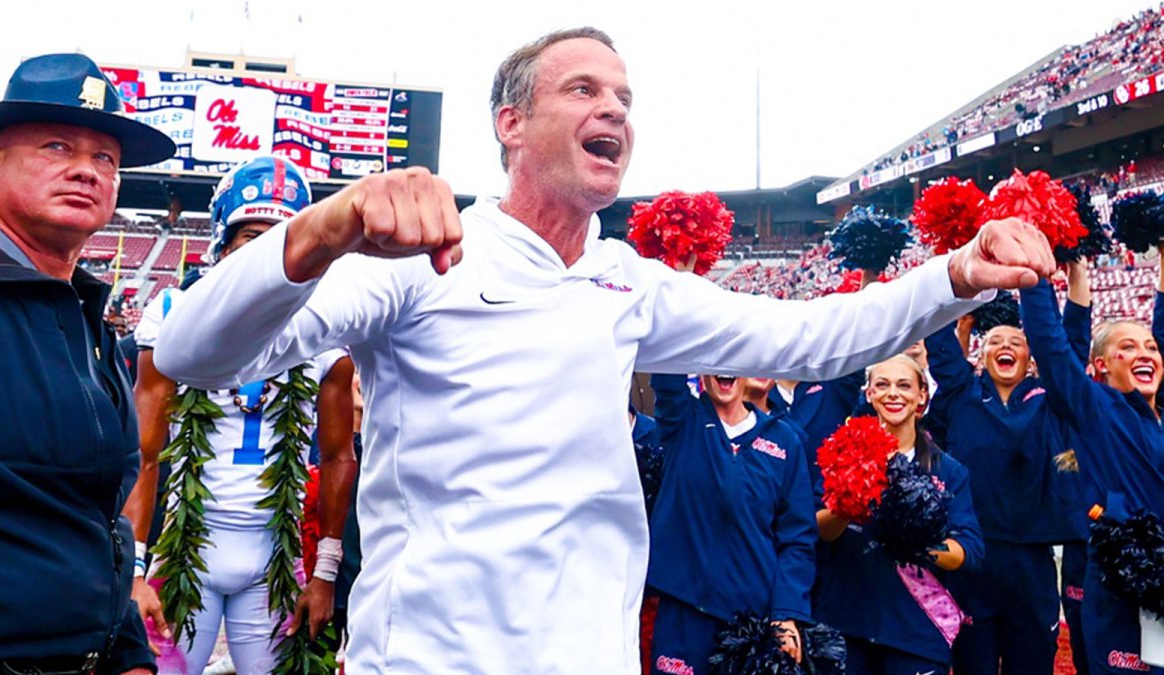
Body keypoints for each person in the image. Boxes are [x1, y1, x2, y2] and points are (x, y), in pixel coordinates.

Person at [153, 28, 1056, 672]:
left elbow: (811, 339)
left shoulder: (631, 283)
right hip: (432, 656)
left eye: (624, 97)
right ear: (510, 123)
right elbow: (195, 353)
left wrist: (957, 275)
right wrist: (319, 231)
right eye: (583, 89)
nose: (614, 108)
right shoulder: (415, 260)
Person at [0, 53, 175, 674]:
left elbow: (93, 514)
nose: (86, 170)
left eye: (104, 158)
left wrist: (127, 651)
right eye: (58, 147)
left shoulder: (85, 316)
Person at [126, 156, 357, 674]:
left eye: (281, 238)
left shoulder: (325, 328)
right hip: (186, 550)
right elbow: (144, 453)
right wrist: (133, 569)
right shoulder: (173, 315)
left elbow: (341, 454)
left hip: (274, 558)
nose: (264, 254)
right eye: (252, 237)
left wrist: (324, 573)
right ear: (222, 245)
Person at [923, 285, 1087, 674]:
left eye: (1017, 340)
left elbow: (1071, 348)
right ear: (980, 353)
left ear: (1031, 356)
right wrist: (957, 296)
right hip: (971, 558)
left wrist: (1071, 276)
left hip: (1032, 559)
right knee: (971, 666)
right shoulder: (961, 393)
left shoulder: (1051, 399)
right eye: (995, 340)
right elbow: (940, 345)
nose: (1005, 346)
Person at [1021, 265, 1164, 674]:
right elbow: (1050, 346)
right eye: (1129, 347)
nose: (1145, 354)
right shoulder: (1095, 406)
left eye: (1151, 348)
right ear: (1101, 366)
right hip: (1123, 582)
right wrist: (1035, 276)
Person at [814, 356, 984, 674]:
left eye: (904, 385)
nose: (893, 393)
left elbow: (970, 552)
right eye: (882, 384)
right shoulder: (841, 453)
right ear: (869, 394)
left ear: (922, 396)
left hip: (916, 634)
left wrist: (915, 539)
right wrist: (847, 506)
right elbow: (816, 529)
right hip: (845, 627)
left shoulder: (949, 470)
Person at [647, 372, 814, 674]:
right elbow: (666, 369)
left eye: (733, 360)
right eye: (716, 359)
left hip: (750, 626)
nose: (725, 370)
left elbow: (798, 538)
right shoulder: (683, 419)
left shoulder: (785, 440)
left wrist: (786, 612)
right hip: (684, 617)